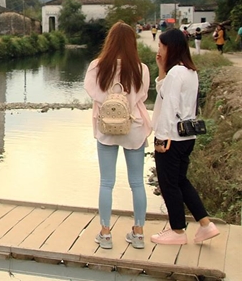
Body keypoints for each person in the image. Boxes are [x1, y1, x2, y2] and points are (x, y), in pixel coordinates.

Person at [83, 21, 152, 250]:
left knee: (106, 183)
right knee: (136, 183)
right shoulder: (141, 68)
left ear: (109, 41)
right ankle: (139, 234)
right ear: (132, 43)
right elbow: (141, 96)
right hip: (134, 129)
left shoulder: (97, 66)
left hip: (107, 129)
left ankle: (105, 234)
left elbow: (92, 92)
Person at [150, 28, 220, 245]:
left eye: (161, 46)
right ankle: (206, 225)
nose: (159, 50)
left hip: (171, 137)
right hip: (186, 137)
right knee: (181, 181)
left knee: (168, 184)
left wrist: (161, 139)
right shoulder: (189, 71)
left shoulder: (176, 74)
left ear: (170, 47)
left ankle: (177, 231)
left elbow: (169, 107)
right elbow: (167, 95)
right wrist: (161, 69)